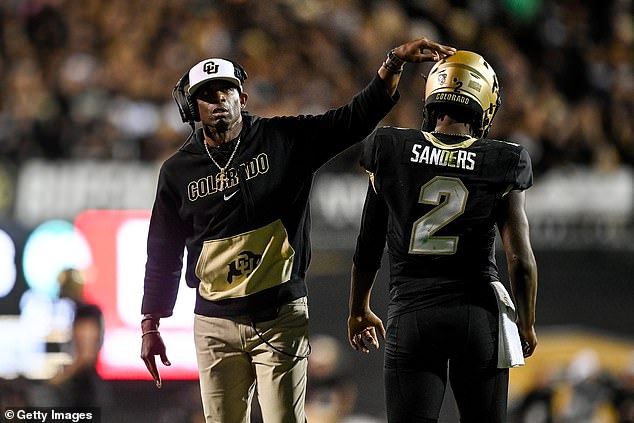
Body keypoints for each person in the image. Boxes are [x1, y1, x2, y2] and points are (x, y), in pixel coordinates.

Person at [140, 37, 457, 423]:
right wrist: (151, 322)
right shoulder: (176, 172)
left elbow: (352, 120)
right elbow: (163, 251)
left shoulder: (283, 139)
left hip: (279, 316)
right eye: (206, 93)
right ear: (191, 107)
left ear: (243, 95)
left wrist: (392, 64)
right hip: (214, 323)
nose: (218, 99)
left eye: (225, 89)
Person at [347, 50, 538, 423]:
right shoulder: (504, 159)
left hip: (412, 314)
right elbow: (520, 258)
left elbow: (368, 244)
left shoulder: (390, 148)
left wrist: (358, 309)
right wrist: (527, 321)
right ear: (484, 103)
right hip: (477, 315)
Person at [48, 268, 107, 407]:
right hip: (83, 388)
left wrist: (60, 378)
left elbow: (85, 356)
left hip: (85, 391)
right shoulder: (79, 311)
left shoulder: (86, 312)